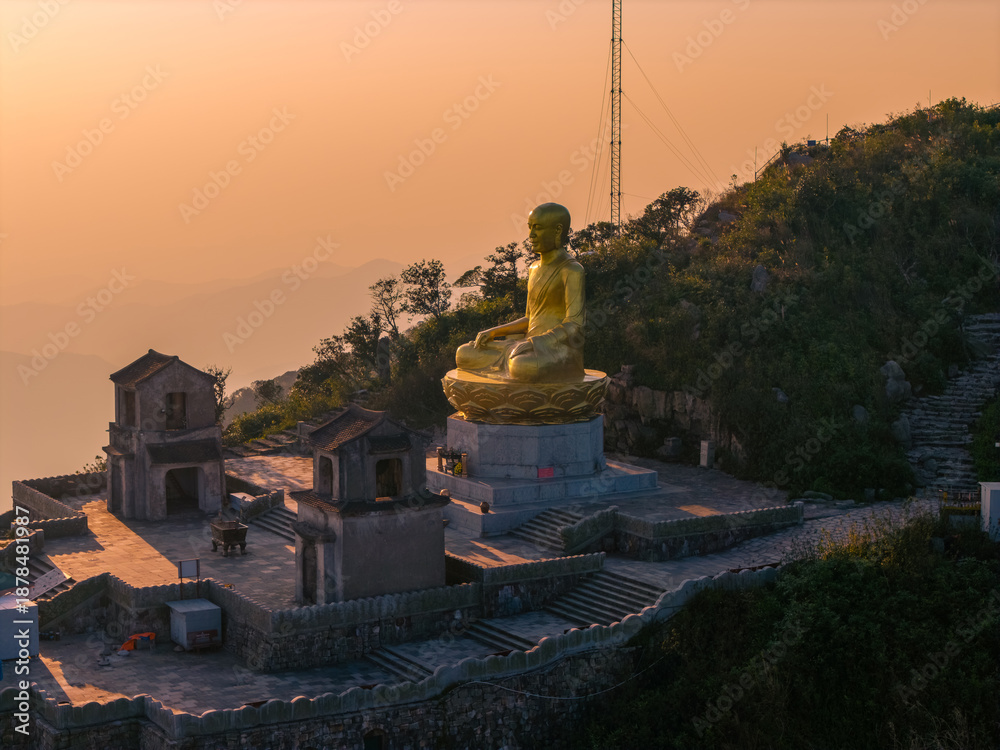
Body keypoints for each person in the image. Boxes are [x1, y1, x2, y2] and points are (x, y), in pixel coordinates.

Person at [455, 203, 585, 383]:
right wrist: (493, 332)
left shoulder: (571, 270)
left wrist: (534, 343)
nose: (531, 235)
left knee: (522, 366)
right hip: (524, 345)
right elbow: (530, 319)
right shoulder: (534, 268)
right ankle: (508, 356)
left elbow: (574, 325)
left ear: (557, 230)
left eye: (537, 228)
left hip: (555, 349)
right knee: (463, 354)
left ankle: (511, 358)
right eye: (530, 227)